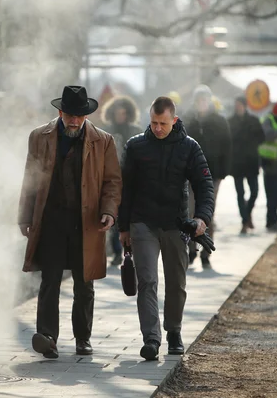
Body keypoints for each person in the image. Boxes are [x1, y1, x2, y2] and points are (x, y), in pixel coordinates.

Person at [18, 85, 122, 359]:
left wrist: (109, 212)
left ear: (86, 115)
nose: (74, 120)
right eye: (70, 115)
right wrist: (24, 216)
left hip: (86, 223)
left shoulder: (104, 141)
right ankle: (48, 336)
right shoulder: (39, 137)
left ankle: (83, 339)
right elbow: (30, 179)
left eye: (79, 116)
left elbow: (112, 182)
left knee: (84, 283)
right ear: (60, 112)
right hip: (51, 221)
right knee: (49, 281)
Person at [118, 96, 215, 360]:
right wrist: (123, 227)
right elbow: (125, 189)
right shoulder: (136, 146)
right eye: (153, 122)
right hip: (142, 224)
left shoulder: (189, 147)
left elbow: (205, 186)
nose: (157, 128)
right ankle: (151, 338)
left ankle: (173, 331)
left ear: (174, 120)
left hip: (176, 225)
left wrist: (202, 219)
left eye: (162, 123)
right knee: (147, 281)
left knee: (176, 283)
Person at [182, 85, 232, 267]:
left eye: (204, 99)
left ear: (209, 101)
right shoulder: (189, 121)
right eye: (198, 100)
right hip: (191, 175)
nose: (201, 103)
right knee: (191, 212)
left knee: (208, 213)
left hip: (212, 174)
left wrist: (223, 172)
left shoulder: (219, 121)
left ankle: (206, 252)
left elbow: (227, 147)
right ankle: (192, 250)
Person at [100, 95, 143, 266]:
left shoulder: (135, 131)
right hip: (111, 180)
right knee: (112, 216)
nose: (121, 116)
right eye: (118, 113)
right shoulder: (105, 131)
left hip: (131, 180)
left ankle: (129, 250)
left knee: (131, 217)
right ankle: (117, 251)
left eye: (123, 113)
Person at [228, 97, 265, 234]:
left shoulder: (253, 121)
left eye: (240, 105)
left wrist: (251, 142)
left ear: (244, 106)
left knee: (254, 191)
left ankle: (248, 213)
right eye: (236, 105)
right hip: (237, 163)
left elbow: (262, 138)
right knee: (240, 193)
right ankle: (244, 221)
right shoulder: (230, 122)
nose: (238, 108)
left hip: (251, 162)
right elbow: (227, 140)